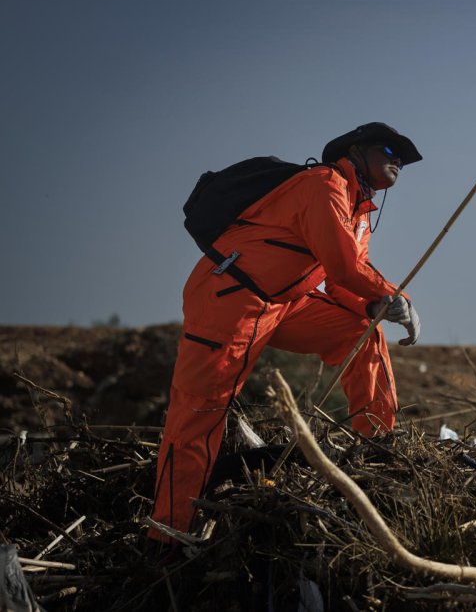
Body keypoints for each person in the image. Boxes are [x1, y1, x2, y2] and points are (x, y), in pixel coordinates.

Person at [149, 122, 423, 543]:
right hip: (230, 299)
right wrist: (393, 295)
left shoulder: (360, 211)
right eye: (389, 148)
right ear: (356, 150)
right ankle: (167, 537)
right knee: (198, 416)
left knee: (360, 331)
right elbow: (345, 267)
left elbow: (342, 283)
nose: (398, 160)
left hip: (282, 302)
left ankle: (378, 450)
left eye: (403, 157)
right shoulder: (323, 184)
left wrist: (375, 305)